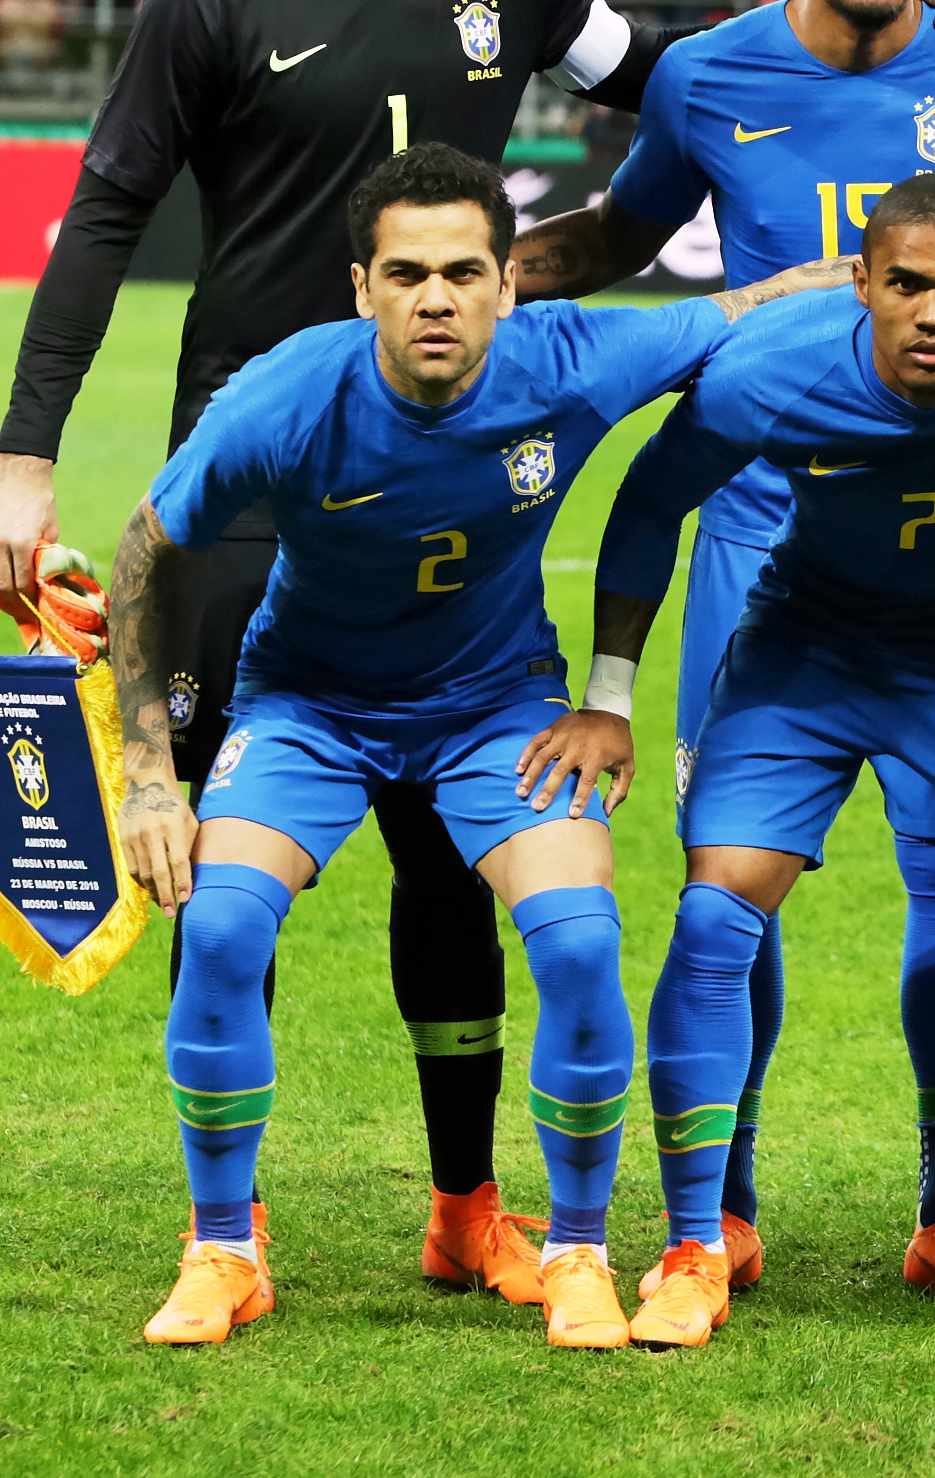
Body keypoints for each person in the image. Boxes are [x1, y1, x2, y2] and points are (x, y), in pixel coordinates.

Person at [0, 0, 935, 1309]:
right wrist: (28, 451)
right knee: (223, 858)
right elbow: (102, 218)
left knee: (458, 856)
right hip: (256, 476)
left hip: (469, 428)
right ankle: (221, 1230)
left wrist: (901, 18)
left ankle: (467, 1205)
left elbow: (682, 90)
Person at [507, 0, 935, 1313]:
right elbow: (628, 235)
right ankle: (732, 1200)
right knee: (729, 877)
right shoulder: (710, 76)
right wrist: (504, 269)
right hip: (764, 540)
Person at [111, 146, 836, 1349]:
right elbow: (146, 548)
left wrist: (912, 280)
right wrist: (147, 772)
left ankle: (582, 1249)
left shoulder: (573, 359)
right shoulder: (287, 394)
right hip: (309, 704)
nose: (434, 297)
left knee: (582, 937)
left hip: (497, 706)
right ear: (361, 287)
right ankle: (223, 1246)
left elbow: (748, 307)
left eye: (463, 270)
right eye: (405, 273)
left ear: (509, 282)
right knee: (225, 923)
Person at [530, 180, 935, 1355]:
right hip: (808, 654)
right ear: (862, 283)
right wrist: (607, 699)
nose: (934, 313)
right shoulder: (773, 365)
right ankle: (695, 1244)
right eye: (906, 285)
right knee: (716, 909)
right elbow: (649, 503)